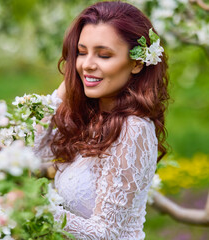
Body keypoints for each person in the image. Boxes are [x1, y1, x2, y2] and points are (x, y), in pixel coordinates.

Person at [34, 1, 169, 239]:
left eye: (104, 55)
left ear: (137, 63)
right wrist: (60, 95)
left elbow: (106, 233)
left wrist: (33, 208)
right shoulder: (89, 118)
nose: (87, 65)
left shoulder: (133, 129)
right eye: (82, 52)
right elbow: (28, 153)